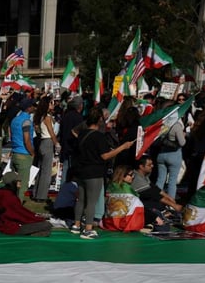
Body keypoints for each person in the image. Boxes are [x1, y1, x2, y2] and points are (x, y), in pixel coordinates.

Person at [70, 110, 134, 239]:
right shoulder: (99, 136)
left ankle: (76, 225)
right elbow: (105, 156)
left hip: (81, 171)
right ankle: (88, 228)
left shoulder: (82, 133)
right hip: (94, 172)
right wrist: (122, 147)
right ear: (100, 120)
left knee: (81, 200)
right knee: (91, 202)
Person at [0, 172, 52, 236]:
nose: (20, 183)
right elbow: (20, 214)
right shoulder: (9, 197)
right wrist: (37, 218)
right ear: (12, 182)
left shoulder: (1, 193)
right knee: (47, 225)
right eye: (18, 181)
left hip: (3, 224)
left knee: (45, 229)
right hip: (11, 228)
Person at [155, 100, 186, 198]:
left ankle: (156, 199)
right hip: (174, 155)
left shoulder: (162, 124)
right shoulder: (176, 125)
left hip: (161, 154)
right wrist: (184, 135)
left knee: (160, 180)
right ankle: (170, 203)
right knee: (172, 182)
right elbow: (182, 143)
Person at [7, 97, 36, 200]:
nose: (34, 107)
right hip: (24, 154)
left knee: (14, 184)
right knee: (22, 185)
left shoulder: (15, 119)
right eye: (33, 106)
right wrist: (32, 153)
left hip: (15, 152)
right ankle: (18, 208)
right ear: (28, 108)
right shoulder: (26, 121)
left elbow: (11, 135)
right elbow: (27, 140)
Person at [32, 97, 58, 203]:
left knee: (41, 169)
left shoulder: (41, 117)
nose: (53, 105)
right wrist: (56, 142)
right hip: (47, 142)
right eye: (51, 103)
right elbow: (51, 132)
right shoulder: (46, 117)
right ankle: (42, 195)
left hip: (43, 142)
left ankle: (37, 193)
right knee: (46, 171)